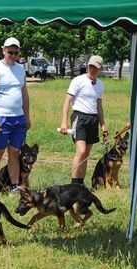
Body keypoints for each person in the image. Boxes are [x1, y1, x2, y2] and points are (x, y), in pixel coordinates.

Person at [0, 37, 31, 196]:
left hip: (18, 118)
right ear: (3, 50)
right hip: (2, 118)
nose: (13, 55)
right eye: (10, 52)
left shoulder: (20, 69)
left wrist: (27, 117)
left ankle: (14, 186)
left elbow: (24, 94)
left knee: (15, 153)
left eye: (16, 52)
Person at [59, 55, 108, 187]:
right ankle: (74, 183)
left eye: (95, 67)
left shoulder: (100, 85)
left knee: (86, 153)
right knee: (80, 151)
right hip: (79, 117)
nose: (92, 69)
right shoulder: (78, 80)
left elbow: (99, 107)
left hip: (93, 119)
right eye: (91, 66)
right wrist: (64, 122)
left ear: (100, 69)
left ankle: (80, 183)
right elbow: (67, 101)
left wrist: (103, 125)